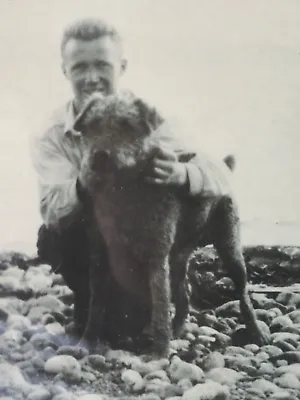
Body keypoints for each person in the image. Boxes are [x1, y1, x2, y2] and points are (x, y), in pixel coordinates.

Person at [30, 18, 231, 337]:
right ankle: (94, 300)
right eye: (80, 66)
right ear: (65, 70)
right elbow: (52, 208)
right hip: (94, 236)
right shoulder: (53, 134)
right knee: (51, 238)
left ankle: (175, 282)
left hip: (147, 237)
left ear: (121, 66)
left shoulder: (144, 116)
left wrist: (182, 173)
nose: (92, 77)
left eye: (102, 64)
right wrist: (86, 182)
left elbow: (220, 174)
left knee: (137, 319)